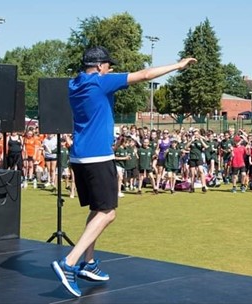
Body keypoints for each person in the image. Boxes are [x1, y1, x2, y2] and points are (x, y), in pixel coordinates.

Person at [51, 46, 196, 297]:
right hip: (97, 157)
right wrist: (178, 65)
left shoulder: (74, 84)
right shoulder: (100, 82)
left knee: (98, 209)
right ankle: (70, 263)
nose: (111, 68)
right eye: (108, 65)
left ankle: (89, 262)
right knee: (108, 214)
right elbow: (145, 74)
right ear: (98, 67)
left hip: (79, 157)